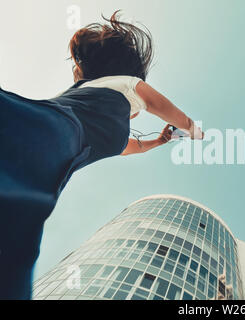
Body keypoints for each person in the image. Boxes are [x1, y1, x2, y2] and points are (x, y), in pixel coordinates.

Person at [0, 11, 203, 300]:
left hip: (46, 177)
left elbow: (131, 147)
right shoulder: (127, 84)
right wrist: (193, 129)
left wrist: (159, 142)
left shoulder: (110, 126)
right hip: (50, 134)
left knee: (14, 262)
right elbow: (160, 105)